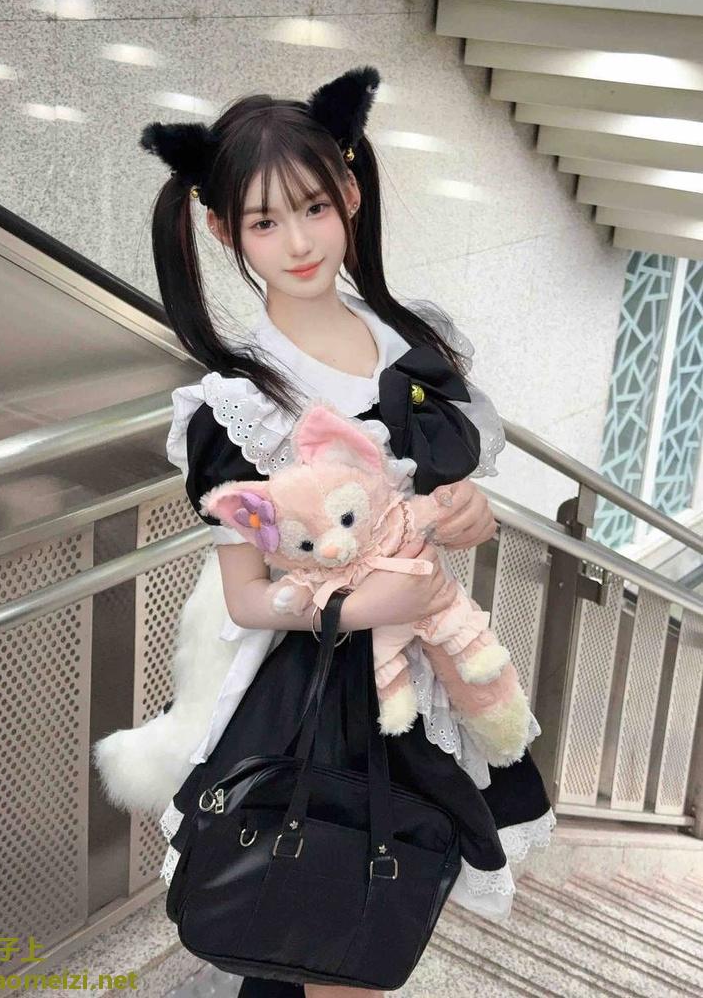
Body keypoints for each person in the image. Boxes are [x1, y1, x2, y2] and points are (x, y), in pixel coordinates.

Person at [140, 66, 556, 998]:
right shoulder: (238, 403)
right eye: (263, 222)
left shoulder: (412, 344)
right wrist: (368, 604)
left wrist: (469, 512)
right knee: (333, 931)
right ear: (223, 230)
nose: (297, 242)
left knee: (349, 927)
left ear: (351, 195)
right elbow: (247, 599)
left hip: (424, 674)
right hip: (316, 696)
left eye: (314, 208)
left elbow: (440, 504)